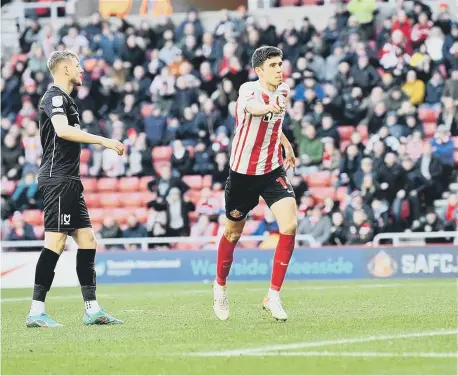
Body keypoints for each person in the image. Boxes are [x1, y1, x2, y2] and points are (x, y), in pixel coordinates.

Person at [26, 51, 125, 328]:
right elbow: (62, 130)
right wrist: (103, 140)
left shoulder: (67, 100)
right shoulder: (54, 96)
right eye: (78, 66)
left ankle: (92, 309)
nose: (82, 70)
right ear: (66, 68)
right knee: (55, 243)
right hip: (57, 179)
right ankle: (36, 311)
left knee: (88, 240)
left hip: (69, 180)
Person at [213, 46, 297, 322]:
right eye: (272, 65)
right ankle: (220, 286)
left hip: (271, 169)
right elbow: (253, 109)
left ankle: (272, 295)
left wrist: (286, 145)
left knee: (290, 225)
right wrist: (268, 107)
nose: (278, 69)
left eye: (280, 63)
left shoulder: (283, 90)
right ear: (259, 70)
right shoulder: (249, 90)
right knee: (233, 233)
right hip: (242, 174)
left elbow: (275, 123)